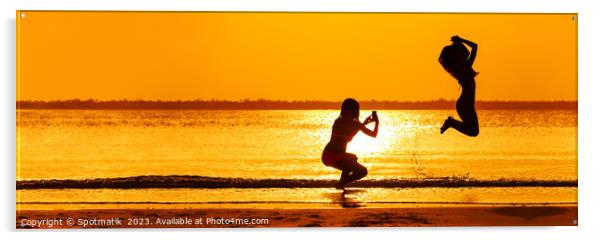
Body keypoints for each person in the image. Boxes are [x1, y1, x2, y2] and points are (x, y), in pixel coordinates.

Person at [321, 98, 379, 189]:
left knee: (353, 157)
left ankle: (341, 183)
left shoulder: (346, 122)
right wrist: (369, 123)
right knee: (363, 171)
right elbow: (371, 134)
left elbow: (353, 133)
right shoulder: (345, 122)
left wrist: (368, 123)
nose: (351, 112)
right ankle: (341, 183)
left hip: (333, 155)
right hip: (332, 156)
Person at [439, 35, 480, 137]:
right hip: (465, 104)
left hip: (466, 104)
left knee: (473, 131)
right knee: (473, 131)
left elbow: (472, 49)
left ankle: (451, 122)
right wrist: (461, 40)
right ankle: (451, 123)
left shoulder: (461, 68)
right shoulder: (464, 68)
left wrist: (459, 42)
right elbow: (474, 47)